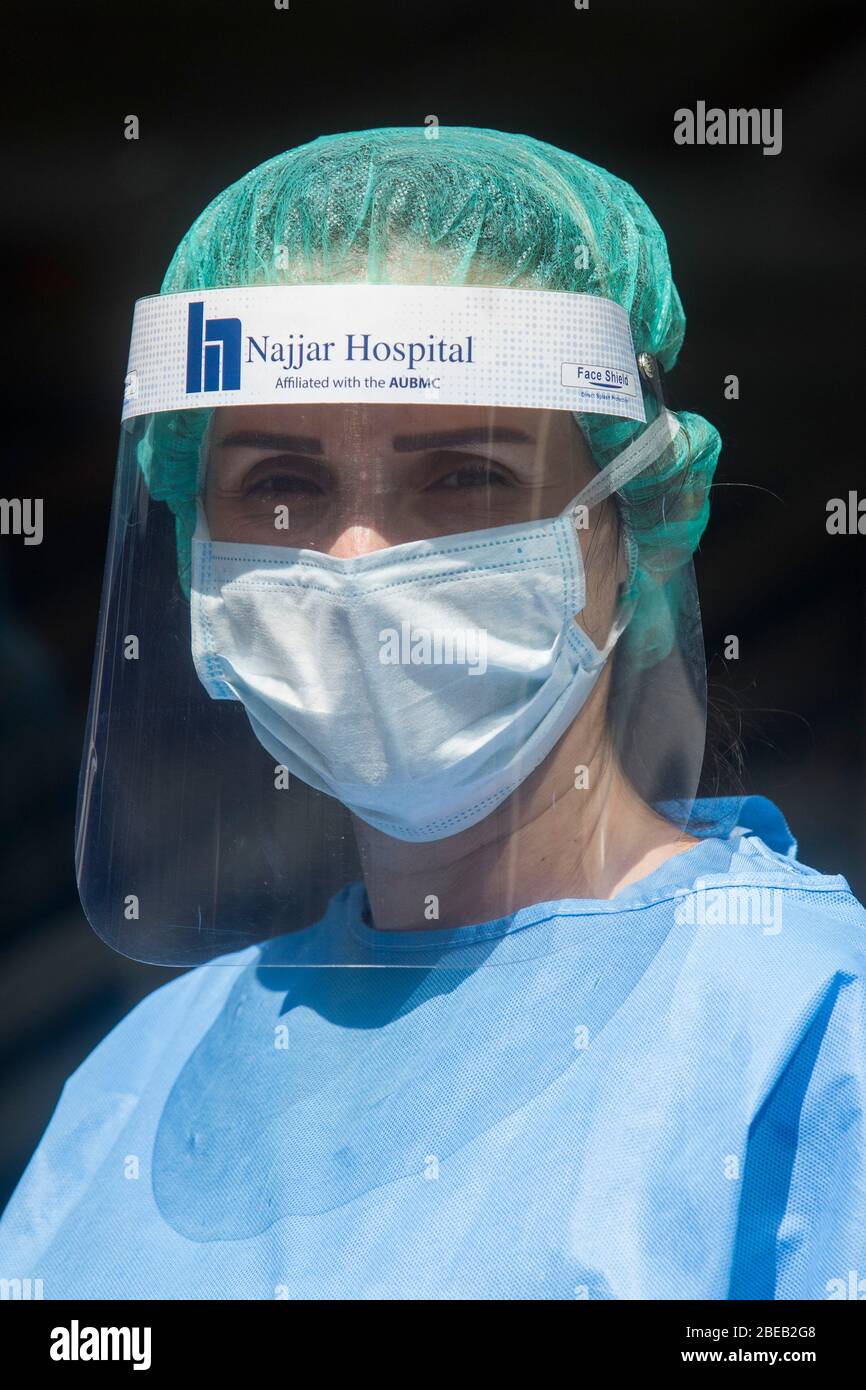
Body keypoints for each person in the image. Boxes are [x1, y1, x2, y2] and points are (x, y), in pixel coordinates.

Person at [1, 127, 864, 1301]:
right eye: (281, 484)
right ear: (196, 546)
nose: (357, 556)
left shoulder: (805, 1030)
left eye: (464, 472)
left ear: (637, 517)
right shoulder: (136, 1090)